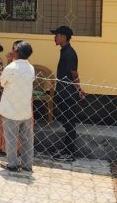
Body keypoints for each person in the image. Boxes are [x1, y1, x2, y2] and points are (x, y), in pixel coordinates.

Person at [0, 42, 36, 173]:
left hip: (11, 109)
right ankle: (27, 164)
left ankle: (12, 164)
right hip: (25, 109)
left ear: (16, 52)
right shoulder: (31, 68)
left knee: (11, 138)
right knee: (27, 139)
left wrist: (8, 62)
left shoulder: (11, 67)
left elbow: (2, 82)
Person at [51, 25, 85, 162]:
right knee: (66, 123)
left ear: (63, 37)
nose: (54, 37)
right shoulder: (64, 51)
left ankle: (70, 153)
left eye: (57, 35)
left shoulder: (69, 53)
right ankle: (66, 150)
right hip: (63, 92)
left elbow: (74, 73)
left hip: (68, 93)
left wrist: (78, 89)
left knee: (70, 123)